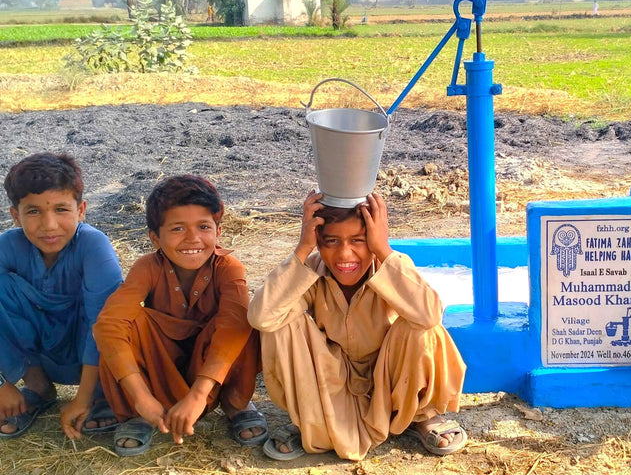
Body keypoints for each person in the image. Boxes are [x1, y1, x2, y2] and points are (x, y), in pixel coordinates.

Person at [249, 191, 467, 461]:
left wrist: (383, 250)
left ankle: (420, 415)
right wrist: (302, 249)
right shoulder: (311, 271)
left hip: (388, 382)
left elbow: (430, 314)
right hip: (333, 383)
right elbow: (261, 316)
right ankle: (308, 420)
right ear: (318, 240)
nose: (344, 254)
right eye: (331, 241)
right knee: (279, 323)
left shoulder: (390, 266)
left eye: (358, 241)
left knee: (422, 325)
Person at [93, 175, 266, 456]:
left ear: (218, 231)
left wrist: (199, 395)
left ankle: (236, 403)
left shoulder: (228, 268)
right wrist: (140, 397)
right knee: (124, 322)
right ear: (155, 238)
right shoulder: (147, 267)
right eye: (177, 228)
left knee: (243, 320)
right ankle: (137, 414)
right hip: (162, 367)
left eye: (203, 226)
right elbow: (108, 325)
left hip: (210, 372)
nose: (193, 239)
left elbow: (233, 326)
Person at [0, 152, 123, 440]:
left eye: (61, 209)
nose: (49, 225)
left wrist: (82, 398)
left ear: (81, 210)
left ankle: (102, 397)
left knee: (115, 312)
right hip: (42, 353)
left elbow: (102, 325)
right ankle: (39, 388)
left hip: (88, 355)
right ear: (15, 215)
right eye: (33, 212)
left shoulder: (94, 246)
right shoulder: (7, 246)